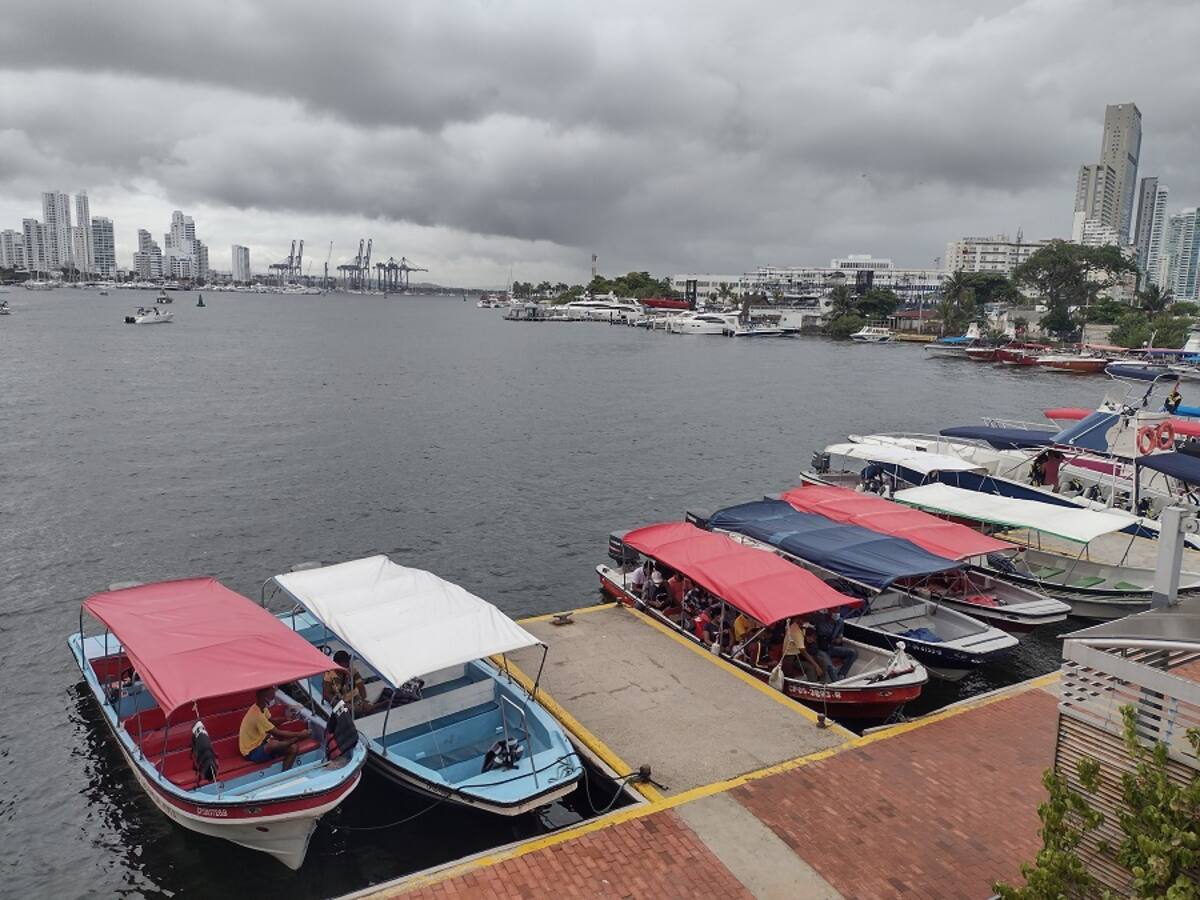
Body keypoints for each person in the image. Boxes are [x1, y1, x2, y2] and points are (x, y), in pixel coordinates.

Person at [239, 687, 306, 770]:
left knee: (293, 748)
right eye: (272, 696)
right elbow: (277, 732)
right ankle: (296, 739)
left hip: (262, 742)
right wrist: (299, 735)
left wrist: (286, 718)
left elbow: (272, 721)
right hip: (251, 752)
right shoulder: (256, 715)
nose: (273, 698)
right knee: (273, 744)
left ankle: (285, 774)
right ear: (264, 698)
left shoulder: (262, 708)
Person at [324, 650, 377, 714]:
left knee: (367, 707)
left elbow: (361, 686)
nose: (346, 668)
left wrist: (362, 700)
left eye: (347, 666)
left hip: (354, 698)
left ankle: (363, 709)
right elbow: (326, 694)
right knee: (352, 710)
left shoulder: (352, 671)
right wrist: (337, 703)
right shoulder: (329, 675)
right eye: (343, 666)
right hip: (341, 700)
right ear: (336, 664)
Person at [812, 609, 857, 681]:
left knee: (852, 653)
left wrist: (839, 638)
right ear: (829, 612)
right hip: (820, 649)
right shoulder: (820, 620)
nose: (836, 614)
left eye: (838, 611)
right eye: (834, 611)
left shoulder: (840, 621)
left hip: (831, 647)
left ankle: (842, 674)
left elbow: (840, 633)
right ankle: (836, 682)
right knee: (830, 667)